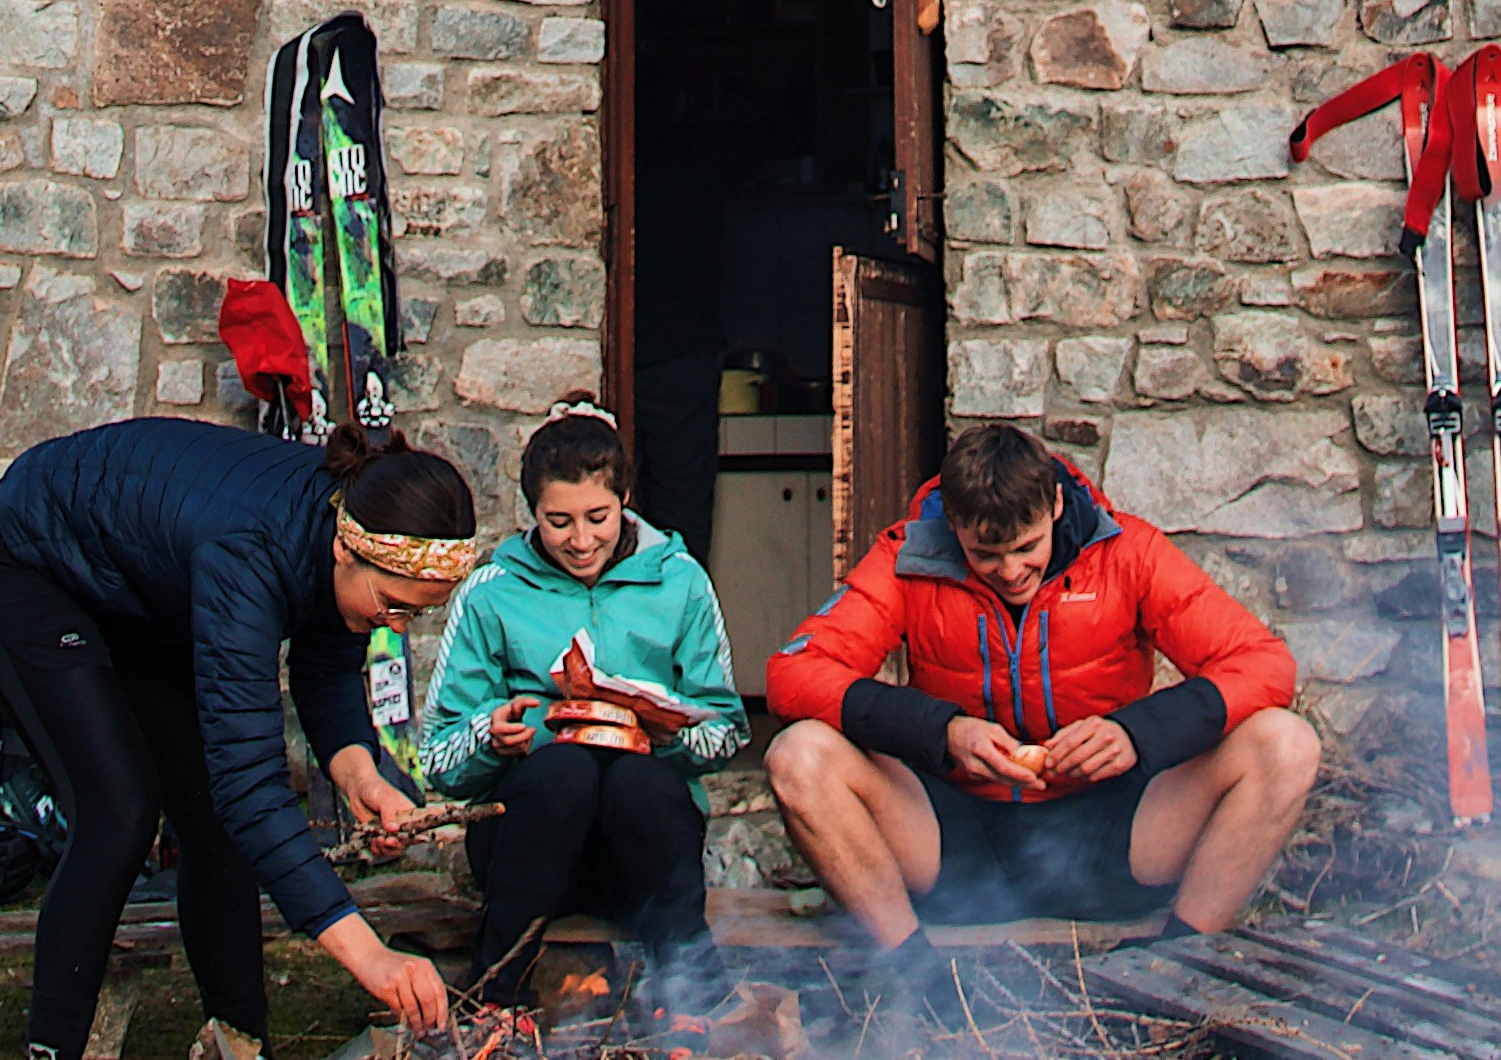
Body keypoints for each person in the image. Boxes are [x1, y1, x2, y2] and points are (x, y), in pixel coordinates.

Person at [0, 403, 487, 1060]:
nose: (396, 626)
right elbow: (253, 786)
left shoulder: (341, 530)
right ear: (348, 549)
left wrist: (361, 775)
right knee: (120, 811)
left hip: (141, 588)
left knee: (208, 818)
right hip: (31, 566)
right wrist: (366, 955)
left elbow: (329, 668)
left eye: (415, 614)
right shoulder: (251, 551)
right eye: (395, 606)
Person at [761, 413, 1320, 956]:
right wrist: (942, 731)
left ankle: (1176, 968)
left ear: (1054, 505)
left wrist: (1134, 734)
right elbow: (793, 674)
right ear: (953, 525)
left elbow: (1265, 664)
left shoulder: (1128, 552)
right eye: (985, 555)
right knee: (799, 755)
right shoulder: (907, 557)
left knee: (1286, 743)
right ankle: (914, 975)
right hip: (955, 836)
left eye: (1027, 548)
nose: (1009, 572)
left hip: (1111, 832)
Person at [413, 405, 748, 1003]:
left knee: (636, 780)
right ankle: (497, 996)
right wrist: (490, 738)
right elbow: (437, 756)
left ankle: (693, 999)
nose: (582, 540)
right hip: (528, 848)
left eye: (599, 517)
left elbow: (726, 731)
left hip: (644, 854)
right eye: (558, 522)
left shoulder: (680, 581)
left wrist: (667, 732)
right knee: (562, 770)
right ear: (531, 514)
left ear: (626, 498)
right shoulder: (492, 591)